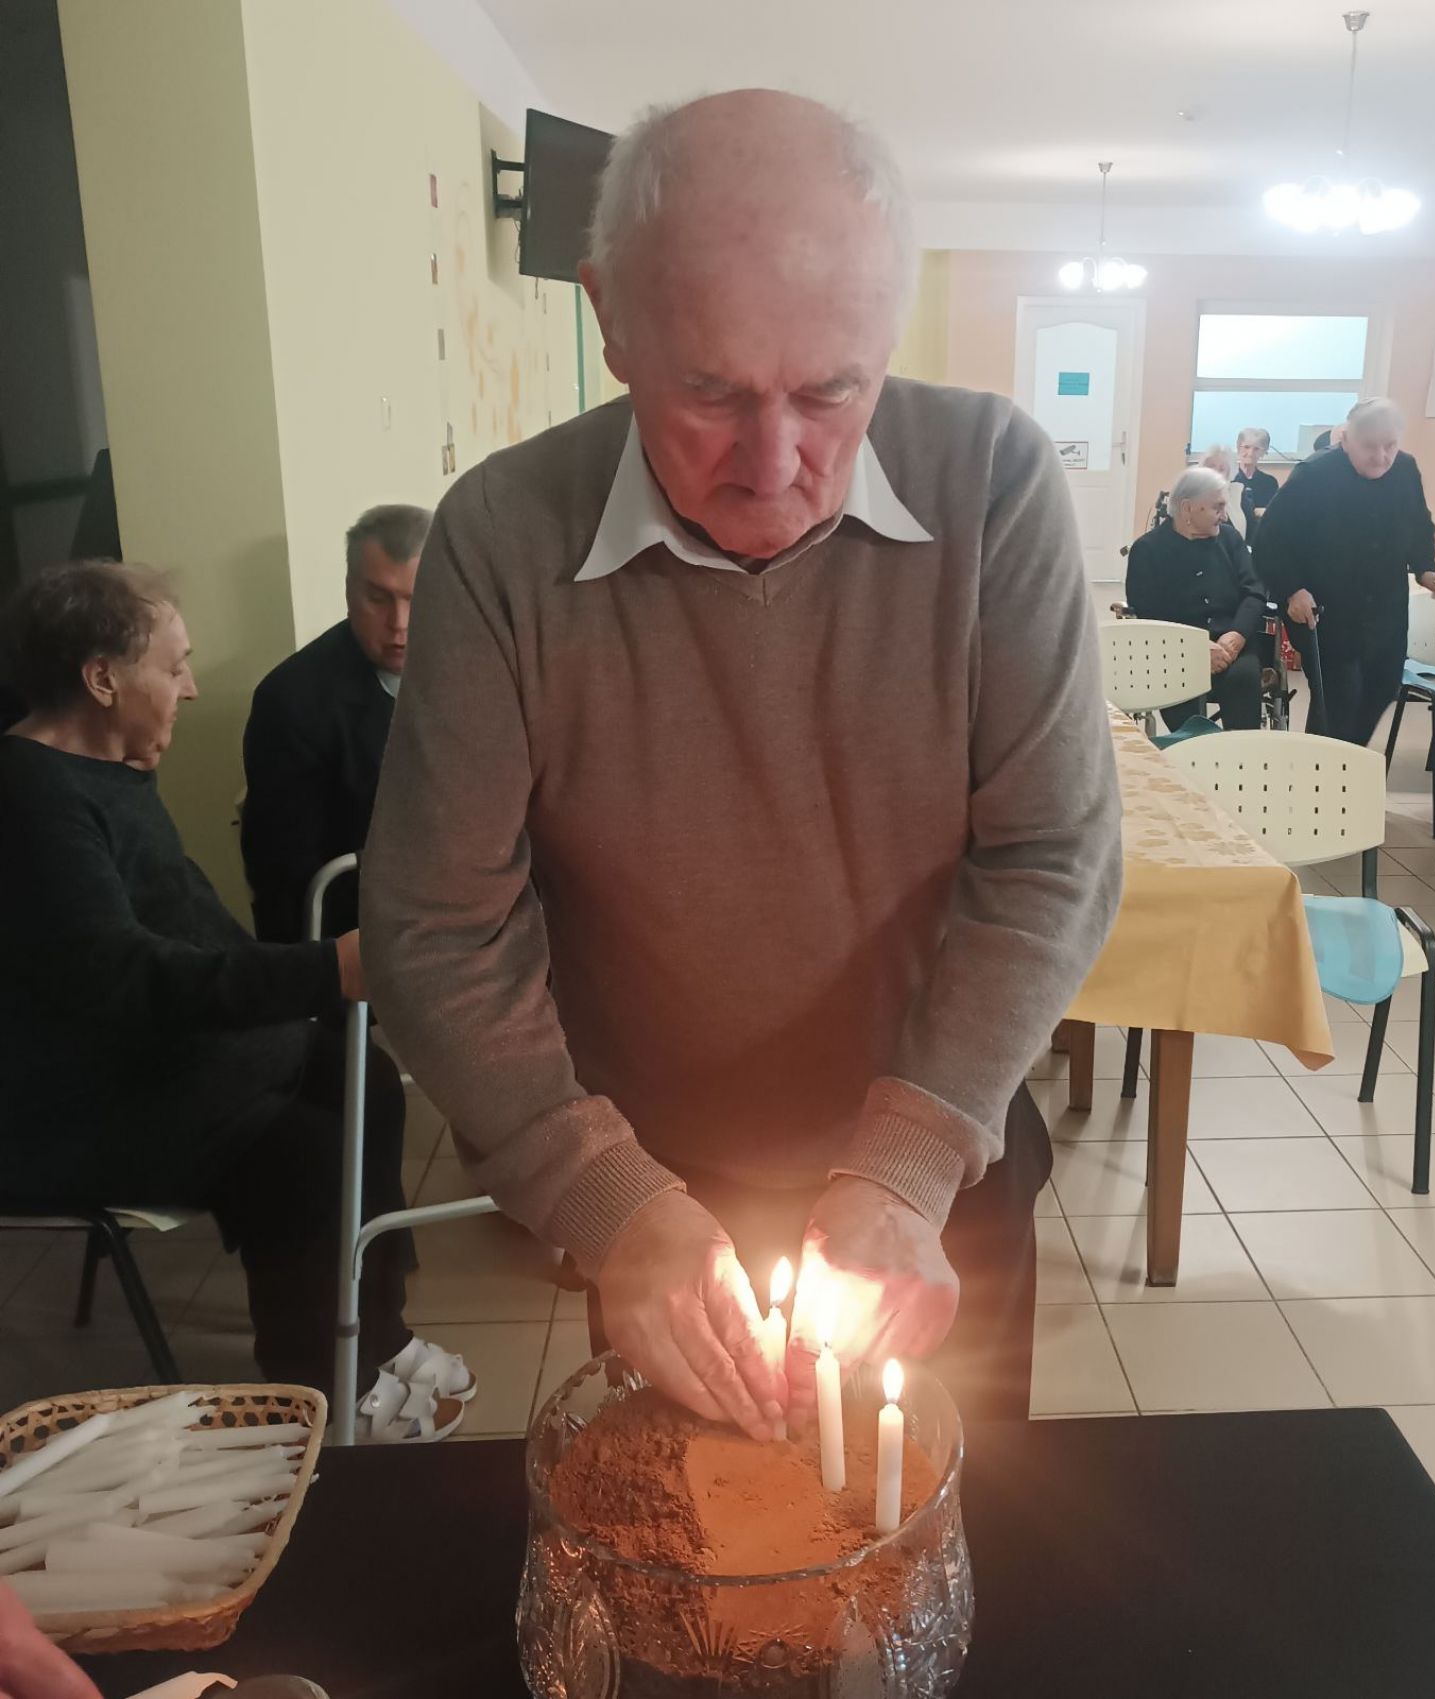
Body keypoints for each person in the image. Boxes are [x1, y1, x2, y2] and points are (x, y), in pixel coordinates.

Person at [362, 91, 1122, 1432]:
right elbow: (437, 922)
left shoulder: (992, 478)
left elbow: (1052, 851)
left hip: (932, 1166)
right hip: (654, 1194)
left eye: (831, 391)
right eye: (708, 393)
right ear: (608, 316)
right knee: (683, 1541)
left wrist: (904, 1161)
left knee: (944, 1537)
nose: (773, 467)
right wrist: (604, 1196)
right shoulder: (499, 535)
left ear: (889, 328)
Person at [0, 562, 470, 1441]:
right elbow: (125, 977)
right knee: (301, 1155)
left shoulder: (104, 769)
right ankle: (316, 1396)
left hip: (155, 1058)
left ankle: (374, 1335)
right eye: (173, 665)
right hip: (82, 1105)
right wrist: (324, 970)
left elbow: (191, 936)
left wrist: (308, 983)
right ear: (102, 679)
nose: (189, 686)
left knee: (360, 1074)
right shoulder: (33, 803)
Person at [241, 504, 429, 942]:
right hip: (363, 933)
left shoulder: (482, 669)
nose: (399, 625)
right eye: (378, 599)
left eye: (418, 598)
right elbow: (288, 880)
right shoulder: (291, 700)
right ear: (348, 591)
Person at [1255, 397, 1435, 745]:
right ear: (1346, 441)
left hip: (1384, 607)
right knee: (1338, 700)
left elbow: (1418, 523)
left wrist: (1425, 569)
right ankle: (1324, 772)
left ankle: (1346, 762)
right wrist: (1291, 589)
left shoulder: (1405, 469)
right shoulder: (1314, 474)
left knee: (1383, 687)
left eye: (1390, 446)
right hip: (1324, 609)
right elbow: (1269, 539)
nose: (1381, 456)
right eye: (1370, 447)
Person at [1123, 465, 1265, 730]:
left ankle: (1242, 753)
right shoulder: (1147, 550)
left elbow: (1254, 591)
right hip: (1174, 651)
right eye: (1217, 507)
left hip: (1233, 646)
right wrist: (1194, 648)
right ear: (1187, 508)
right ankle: (1191, 751)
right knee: (1180, 693)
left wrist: (1237, 635)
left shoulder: (1230, 540)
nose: (1224, 516)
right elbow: (1148, 613)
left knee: (1243, 680)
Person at [1232, 427, 1278, 541]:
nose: (1250, 453)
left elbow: (1274, 514)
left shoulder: (1270, 482)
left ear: (1264, 452)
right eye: (1246, 447)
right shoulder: (1230, 480)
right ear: (1238, 447)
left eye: (1256, 449)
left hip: (1261, 537)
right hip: (1234, 536)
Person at [1197, 446, 1249, 539]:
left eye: (1221, 469)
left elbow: (1252, 531)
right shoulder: (1193, 493)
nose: (1215, 472)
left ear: (1228, 473)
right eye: (1211, 467)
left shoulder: (1238, 492)